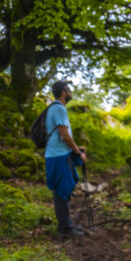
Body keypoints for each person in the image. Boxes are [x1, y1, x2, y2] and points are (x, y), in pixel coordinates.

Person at [44, 81, 87, 238]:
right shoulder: (59, 108)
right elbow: (65, 135)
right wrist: (78, 152)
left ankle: (66, 225)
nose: (70, 92)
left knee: (63, 191)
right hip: (58, 156)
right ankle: (65, 230)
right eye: (68, 90)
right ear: (63, 92)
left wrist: (76, 148)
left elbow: (62, 135)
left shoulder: (53, 108)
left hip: (56, 154)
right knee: (62, 192)